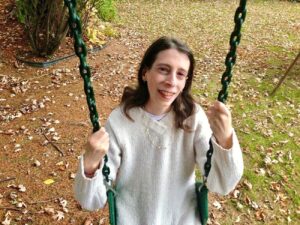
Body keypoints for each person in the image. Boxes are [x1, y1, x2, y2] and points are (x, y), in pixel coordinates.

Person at [74, 36, 243, 225]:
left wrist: (225, 139)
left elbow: (222, 184)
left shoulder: (193, 118)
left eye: (180, 74)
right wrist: (90, 165)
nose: (171, 81)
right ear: (145, 73)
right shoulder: (121, 120)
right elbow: (91, 201)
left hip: (181, 219)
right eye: (164, 70)